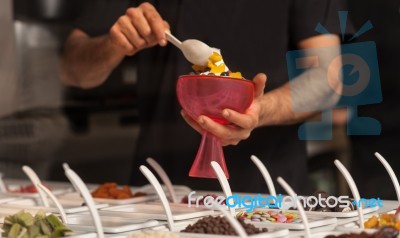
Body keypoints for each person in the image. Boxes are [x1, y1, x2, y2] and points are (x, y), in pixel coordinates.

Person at [60, 0, 347, 194]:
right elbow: (74, 71)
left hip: (269, 194)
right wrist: (115, 44)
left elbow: (327, 77)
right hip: (159, 194)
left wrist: (260, 110)